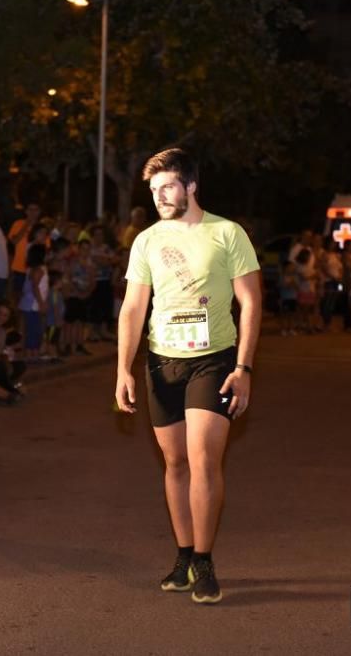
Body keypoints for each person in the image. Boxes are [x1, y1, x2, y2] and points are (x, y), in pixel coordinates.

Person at [115, 148, 261, 605]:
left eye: (169, 187)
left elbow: (252, 302)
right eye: (155, 190)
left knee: (202, 459)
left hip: (213, 361)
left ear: (191, 186)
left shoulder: (227, 233)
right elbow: (134, 307)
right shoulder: (146, 241)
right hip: (162, 363)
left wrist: (244, 368)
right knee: (175, 463)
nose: (160, 197)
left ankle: (204, 558)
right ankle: (182, 555)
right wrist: (123, 368)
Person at [18, 240, 48, 361]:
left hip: (32, 304)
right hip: (32, 305)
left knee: (34, 328)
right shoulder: (38, 270)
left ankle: (33, 352)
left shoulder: (35, 269)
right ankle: (31, 354)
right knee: (32, 329)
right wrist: (41, 303)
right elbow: (35, 287)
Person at [8, 202, 41, 298]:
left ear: (39, 212)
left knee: (32, 297)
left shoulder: (41, 227)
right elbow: (14, 241)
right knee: (18, 298)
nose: (33, 212)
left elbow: (46, 246)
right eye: (30, 210)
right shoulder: (17, 224)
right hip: (19, 269)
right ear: (26, 211)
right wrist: (27, 224)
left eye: (35, 210)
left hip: (35, 270)